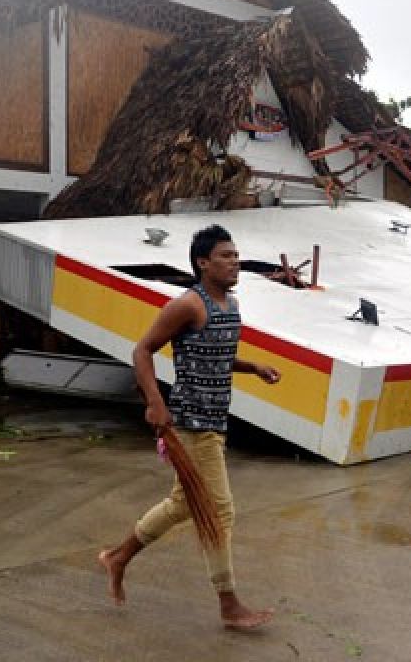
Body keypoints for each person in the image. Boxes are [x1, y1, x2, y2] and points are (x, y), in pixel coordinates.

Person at [98, 224, 280, 629]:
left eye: (236, 255)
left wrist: (254, 367)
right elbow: (142, 350)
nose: (235, 262)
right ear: (203, 263)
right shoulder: (187, 305)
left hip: (215, 419)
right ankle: (229, 603)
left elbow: (215, 355)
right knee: (219, 509)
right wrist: (155, 404)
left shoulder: (229, 305)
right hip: (189, 422)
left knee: (185, 504)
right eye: (226, 256)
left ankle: (117, 557)